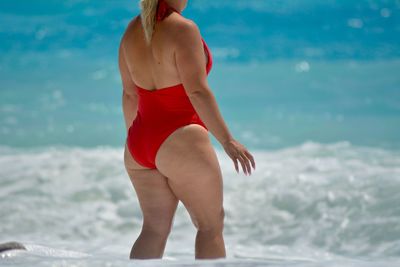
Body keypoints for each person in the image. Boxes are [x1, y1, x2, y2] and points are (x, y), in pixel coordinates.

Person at [118, 0, 256, 260]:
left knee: (153, 229)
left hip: (139, 142)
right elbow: (197, 91)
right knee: (210, 226)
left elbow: (129, 95)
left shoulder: (132, 29)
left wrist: (139, 142)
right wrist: (227, 140)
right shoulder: (183, 29)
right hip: (180, 136)